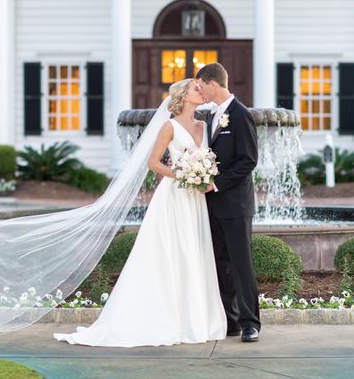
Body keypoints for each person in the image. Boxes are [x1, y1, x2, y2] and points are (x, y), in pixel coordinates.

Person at [54, 79, 227, 347]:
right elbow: (153, 163)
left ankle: (196, 319)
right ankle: (166, 319)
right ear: (183, 96)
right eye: (195, 88)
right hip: (175, 196)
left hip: (196, 201)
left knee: (195, 251)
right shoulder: (169, 126)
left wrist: (203, 176)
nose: (201, 91)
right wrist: (184, 174)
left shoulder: (204, 126)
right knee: (171, 252)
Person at [196, 63, 261, 342]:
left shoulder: (241, 115)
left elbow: (249, 161)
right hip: (212, 205)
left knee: (241, 263)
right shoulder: (211, 117)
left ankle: (250, 323)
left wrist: (217, 182)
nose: (199, 90)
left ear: (213, 84)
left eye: (200, 85)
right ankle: (231, 320)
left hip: (235, 204)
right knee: (220, 263)